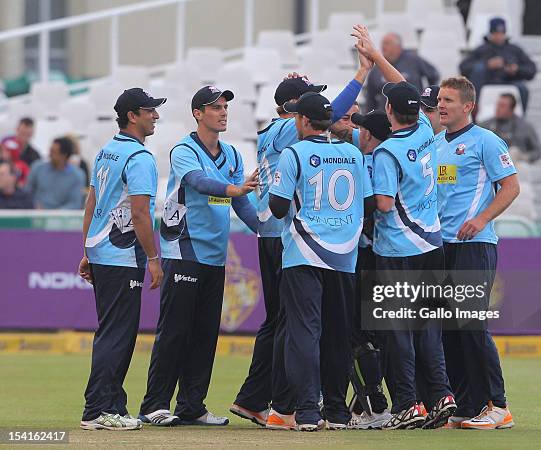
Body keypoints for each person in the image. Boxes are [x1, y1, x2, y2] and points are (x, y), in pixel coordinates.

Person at [231, 52, 373, 431]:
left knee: (281, 323)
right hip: (290, 238)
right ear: (295, 112)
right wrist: (360, 74)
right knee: (293, 326)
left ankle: (258, 400)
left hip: (277, 234)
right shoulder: (286, 133)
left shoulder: (273, 134)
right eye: (311, 98)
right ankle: (282, 402)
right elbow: (329, 112)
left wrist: (256, 223)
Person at [352, 23, 457, 431]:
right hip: (432, 243)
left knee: (397, 331)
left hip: (397, 249)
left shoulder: (386, 153)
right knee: (429, 327)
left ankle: (409, 403)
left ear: (390, 113)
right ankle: (443, 394)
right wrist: (377, 57)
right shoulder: (429, 132)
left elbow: (382, 203)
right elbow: (406, 87)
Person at [139, 85, 259, 427]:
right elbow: (198, 182)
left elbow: (242, 205)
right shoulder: (184, 149)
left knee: (206, 334)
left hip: (215, 255)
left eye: (225, 107)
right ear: (197, 113)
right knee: (175, 330)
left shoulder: (233, 154)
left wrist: (266, 232)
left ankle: (192, 405)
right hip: (184, 249)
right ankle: (155, 404)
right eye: (215, 107)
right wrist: (234, 189)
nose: (223, 112)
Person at [268, 92, 374, 431]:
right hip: (344, 254)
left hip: (303, 252)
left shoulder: (293, 153)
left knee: (304, 333)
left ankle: (308, 412)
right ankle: (338, 411)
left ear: (301, 120)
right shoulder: (352, 153)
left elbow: (278, 208)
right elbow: (369, 203)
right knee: (338, 335)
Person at [78, 87, 166, 430]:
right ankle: (99, 410)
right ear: (132, 115)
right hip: (122, 255)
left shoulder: (107, 151)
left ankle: (109, 405)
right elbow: (141, 215)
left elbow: (91, 204)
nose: (155, 115)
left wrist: (87, 250)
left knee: (111, 332)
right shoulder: (139, 158)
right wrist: (154, 258)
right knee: (118, 334)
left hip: (102, 251)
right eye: (149, 110)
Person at [436, 76, 519, 430]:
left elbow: (512, 187)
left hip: (475, 245)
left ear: (468, 106)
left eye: (449, 100)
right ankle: (467, 404)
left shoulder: (486, 141)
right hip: (442, 246)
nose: (441, 105)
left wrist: (481, 218)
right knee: (448, 329)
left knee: (471, 325)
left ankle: (497, 405)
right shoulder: (438, 143)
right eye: (440, 99)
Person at [345, 109, 392, 430]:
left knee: (358, 335)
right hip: (390, 255)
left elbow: (367, 206)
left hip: (363, 255)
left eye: (360, 127)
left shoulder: (363, 163)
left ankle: (373, 403)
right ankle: (366, 404)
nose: (356, 132)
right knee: (382, 334)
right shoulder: (394, 157)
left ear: (367, 134)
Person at [460, 17, 536, 112]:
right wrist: (487, 65)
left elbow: (531, 69)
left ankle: (519, 120)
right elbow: (463, 67)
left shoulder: (514, 50)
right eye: (496, 33)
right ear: (490, 34)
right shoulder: (481, 49)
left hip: (509, 81)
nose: (499, 36)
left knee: (523, 89)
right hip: (486, 82)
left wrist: (516, 69)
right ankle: (474, 111)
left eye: (501, 33)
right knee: (479, 69)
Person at [365, 32, 439, 111]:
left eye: (387, 44)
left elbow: (433, 75)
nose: (383, 47)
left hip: (413, 113)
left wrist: (427, 99)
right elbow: (370, 97)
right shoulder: (376, 69)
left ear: (398, 46)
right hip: (386, 116)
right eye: (382, 44)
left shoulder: (413, 60)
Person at [480, 93, 541, 163]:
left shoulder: (525, 127)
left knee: (514, 152)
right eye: (497, 105)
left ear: (511, 109)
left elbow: (537, 151)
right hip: (491, 162)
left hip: (517, 166)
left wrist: (524, 157)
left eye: (502, 106)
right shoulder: (485, 126)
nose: (497, 108)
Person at [26, 137, 86, 209]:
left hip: (62, 218)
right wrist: (34, 204)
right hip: (35, 214)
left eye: (53, 152)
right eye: (50, 151)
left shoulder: (77, 176)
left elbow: (74, 203)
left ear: (63, 156)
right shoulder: (37, 168)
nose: (49, 155)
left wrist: (55, 214)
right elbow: (27, 192)